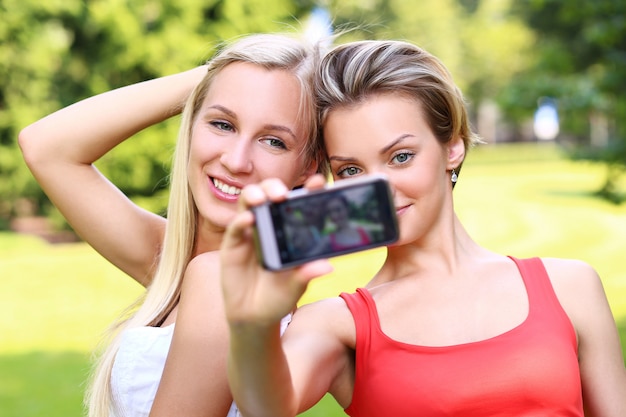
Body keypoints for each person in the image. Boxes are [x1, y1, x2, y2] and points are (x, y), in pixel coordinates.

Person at [219, 39, 626, 416]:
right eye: (351, 170)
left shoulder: (570, 286)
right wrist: (251, 324)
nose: (379, 188)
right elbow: (265, 406)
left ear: (452, 146)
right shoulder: (337, 324)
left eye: (400, 157)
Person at [18, 33, 327, 417]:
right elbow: (46, 146)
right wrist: (217, 74)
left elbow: (46, 148)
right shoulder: (174, 259)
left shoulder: (223, 283)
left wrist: (221, 79)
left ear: (309, 166)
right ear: (192, 122)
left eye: (273, 142)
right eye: (222, 124)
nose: (235, 160)